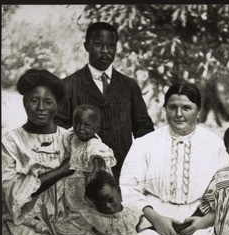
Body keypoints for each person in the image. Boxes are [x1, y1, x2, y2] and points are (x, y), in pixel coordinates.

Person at [2, 69, 108, 235]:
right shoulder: (10, 142)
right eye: (34, 101)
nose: (41, 108)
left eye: (48, 102)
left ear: (58, 105)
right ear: (24, 103)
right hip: (26, 219)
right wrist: (63, 170)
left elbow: (95, 158)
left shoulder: (71, 137)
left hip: (69, 213)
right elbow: (12, 192)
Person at [120, 81, 229, 235]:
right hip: (154, 221)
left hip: (199, 221)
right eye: (173, 107)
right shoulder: (146, 143)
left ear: (198, 111)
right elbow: (128, 187)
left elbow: (225, 191)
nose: (179, 114)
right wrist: (155, 219)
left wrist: (203, 222)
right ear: (165, 110)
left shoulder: (214, 144)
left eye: (186, 108)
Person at [54, 22, 154, 181]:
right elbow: (58, 130)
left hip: (124, 174)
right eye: (99, 45)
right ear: (87, 46)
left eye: (111, 46)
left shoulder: (129, 85)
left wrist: (146, 162)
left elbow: (143, 127)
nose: (105, 51)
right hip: (82, 175)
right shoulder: (68, 86)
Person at [62, 103, 116, 210]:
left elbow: (97, 156)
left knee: (93, 208)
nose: (81, 128)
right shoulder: (72, 136)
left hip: (93, 182)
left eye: (87, 125)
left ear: (97, 128)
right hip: (76, 182)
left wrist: (97, 168)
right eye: (77, 123)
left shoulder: (94, 143)